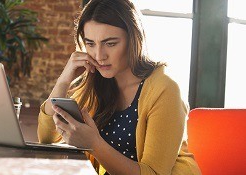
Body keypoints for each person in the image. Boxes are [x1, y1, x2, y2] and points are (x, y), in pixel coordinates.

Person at [37, 0, 201, 174]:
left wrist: (94, 144)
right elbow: (47, 139)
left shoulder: (165, 89)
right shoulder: (99, 82)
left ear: (134, 40)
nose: (99, 55)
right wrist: (64, 80)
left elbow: (154, 173)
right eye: (91, 44)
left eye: (110, 43)